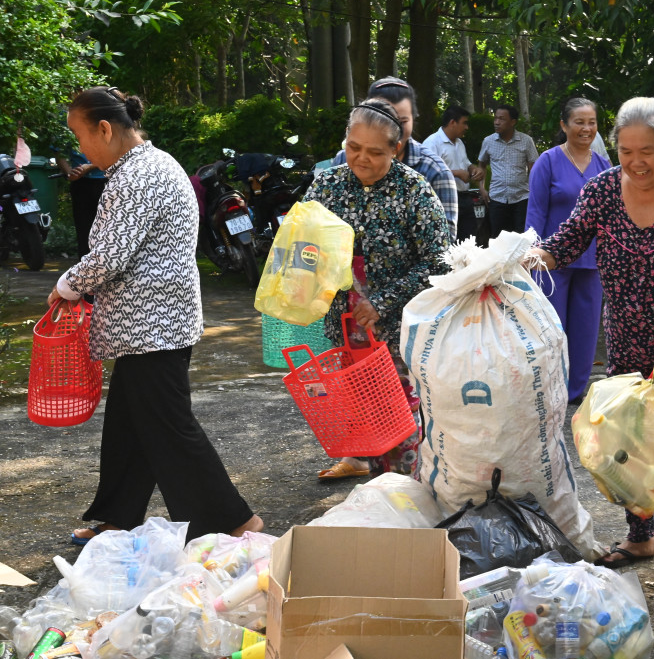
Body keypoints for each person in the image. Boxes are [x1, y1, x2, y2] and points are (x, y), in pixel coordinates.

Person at [525, 97, 654, 586]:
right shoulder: (602, 190)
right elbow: (567, 241)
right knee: (627, 439)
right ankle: (640, 534)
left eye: (648, 150)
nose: (636, 162)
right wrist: (526, 259)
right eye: (625, 151)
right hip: (626, 340)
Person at [48, 87, 262, 545]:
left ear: (105, 129)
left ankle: (234, 522)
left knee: (168, 428)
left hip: (153, 323)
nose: (79, 150)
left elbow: (110, 254)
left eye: (80, 137)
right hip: (152, 322)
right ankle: (116, 516)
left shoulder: (136, 175)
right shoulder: (147, 165)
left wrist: (66, 285)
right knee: (131, 423)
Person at [308, 98, 451, 482]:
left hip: (397, 327)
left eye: (374, 152)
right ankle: (373, 489)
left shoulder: (413, 191)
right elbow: (302, 246)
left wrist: (383, 301)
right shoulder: (326, 186)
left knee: (397, 413)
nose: (360, 158)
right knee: (358, 408)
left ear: (396, 149)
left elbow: (439, 261)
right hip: (343, 324)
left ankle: (404, 494)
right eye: (353, 148)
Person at [525, 97, 611, 403]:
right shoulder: (547, 161)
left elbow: (613, 214)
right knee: (551, 328)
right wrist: (529, 253)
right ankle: (549, 390)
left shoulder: (604, 166)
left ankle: (575, 392)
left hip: (592, 261)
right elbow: (535, 212)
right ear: (564, 125)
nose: (586, 129)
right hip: (552, 261)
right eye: (579, 122)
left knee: (586, 330)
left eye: (592, 122)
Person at [319, 77, 459, 243]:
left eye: (401, 121)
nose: (393, 129)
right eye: (382, 118)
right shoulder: (341, 165)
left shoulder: (435, 172)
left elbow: (444, 248)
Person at [422, 104, 485, 243]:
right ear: (452, 122)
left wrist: (474, 169)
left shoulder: (459, 143)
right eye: (464, 123)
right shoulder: (432, 143)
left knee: (470, 242)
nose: (467, 127)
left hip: (464, 198)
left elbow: (466, 163)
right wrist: (456, 173)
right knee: (447, 243)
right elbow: (426, 173)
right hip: (443, 199)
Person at [478, 104, 539, 237]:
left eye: (501, 119)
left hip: (521, 198)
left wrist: (534, 192)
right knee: (497, 239)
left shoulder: (526, 141)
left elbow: (534, 168)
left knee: (522, 239)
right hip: (497, 198)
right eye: (495, 119)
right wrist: (482, 188)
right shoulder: (488, 141)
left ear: (513, 122)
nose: (497, 122)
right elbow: (481, 165)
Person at [54, 146, 106, 258]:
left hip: (105, 181)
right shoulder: (66, 130)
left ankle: (107, 265)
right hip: (80, 183)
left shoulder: (107, 128)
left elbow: (115, 152)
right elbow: (58, 152)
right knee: (84, 228)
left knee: (105, 227)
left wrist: (90, 167)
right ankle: (85, 268)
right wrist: (70, 174)